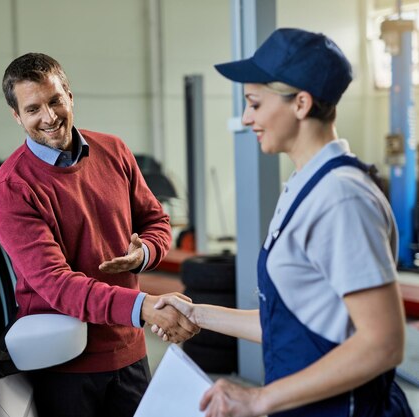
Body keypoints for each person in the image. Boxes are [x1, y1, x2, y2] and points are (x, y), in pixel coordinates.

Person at [153, 28, 414, 416]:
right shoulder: (306, 187)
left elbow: (384, 342)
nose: (245, 118)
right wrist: (197, 313)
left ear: (301, 104)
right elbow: (290, 324)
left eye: (255, 104)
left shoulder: (340, 198)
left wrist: (258, 398)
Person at [0, 52, 199, 417]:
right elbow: (56, 284)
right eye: (33, 108)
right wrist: (144, 307)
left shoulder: (114, 151)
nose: (50, 117)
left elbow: (157, 222)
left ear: (69, 95)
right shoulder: (11, 188)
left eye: (55, 100)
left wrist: (144, 253)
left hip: (130, 352)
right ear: (17, 116)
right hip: (63, 365)